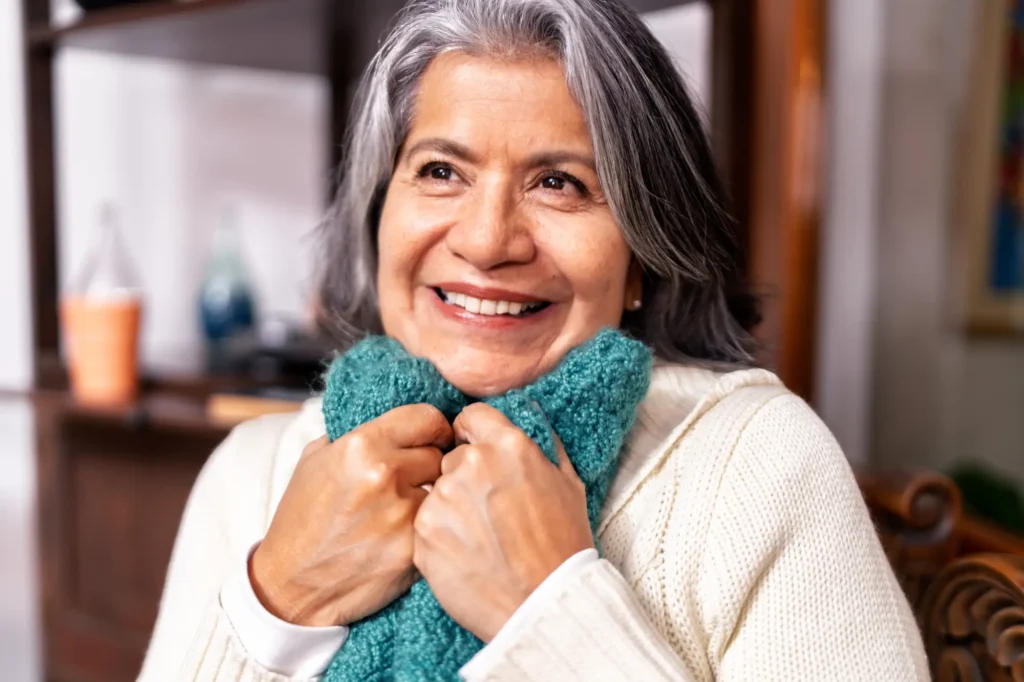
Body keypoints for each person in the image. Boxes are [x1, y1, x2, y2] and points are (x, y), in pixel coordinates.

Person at [138, 0, 929, 680]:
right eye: (442, 170)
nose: (487, 242)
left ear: (642, 258)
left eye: (560, 183)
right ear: (378, 215)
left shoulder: (757, 468)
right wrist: (280, 598)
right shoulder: (250, 473)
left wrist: (553, 612)